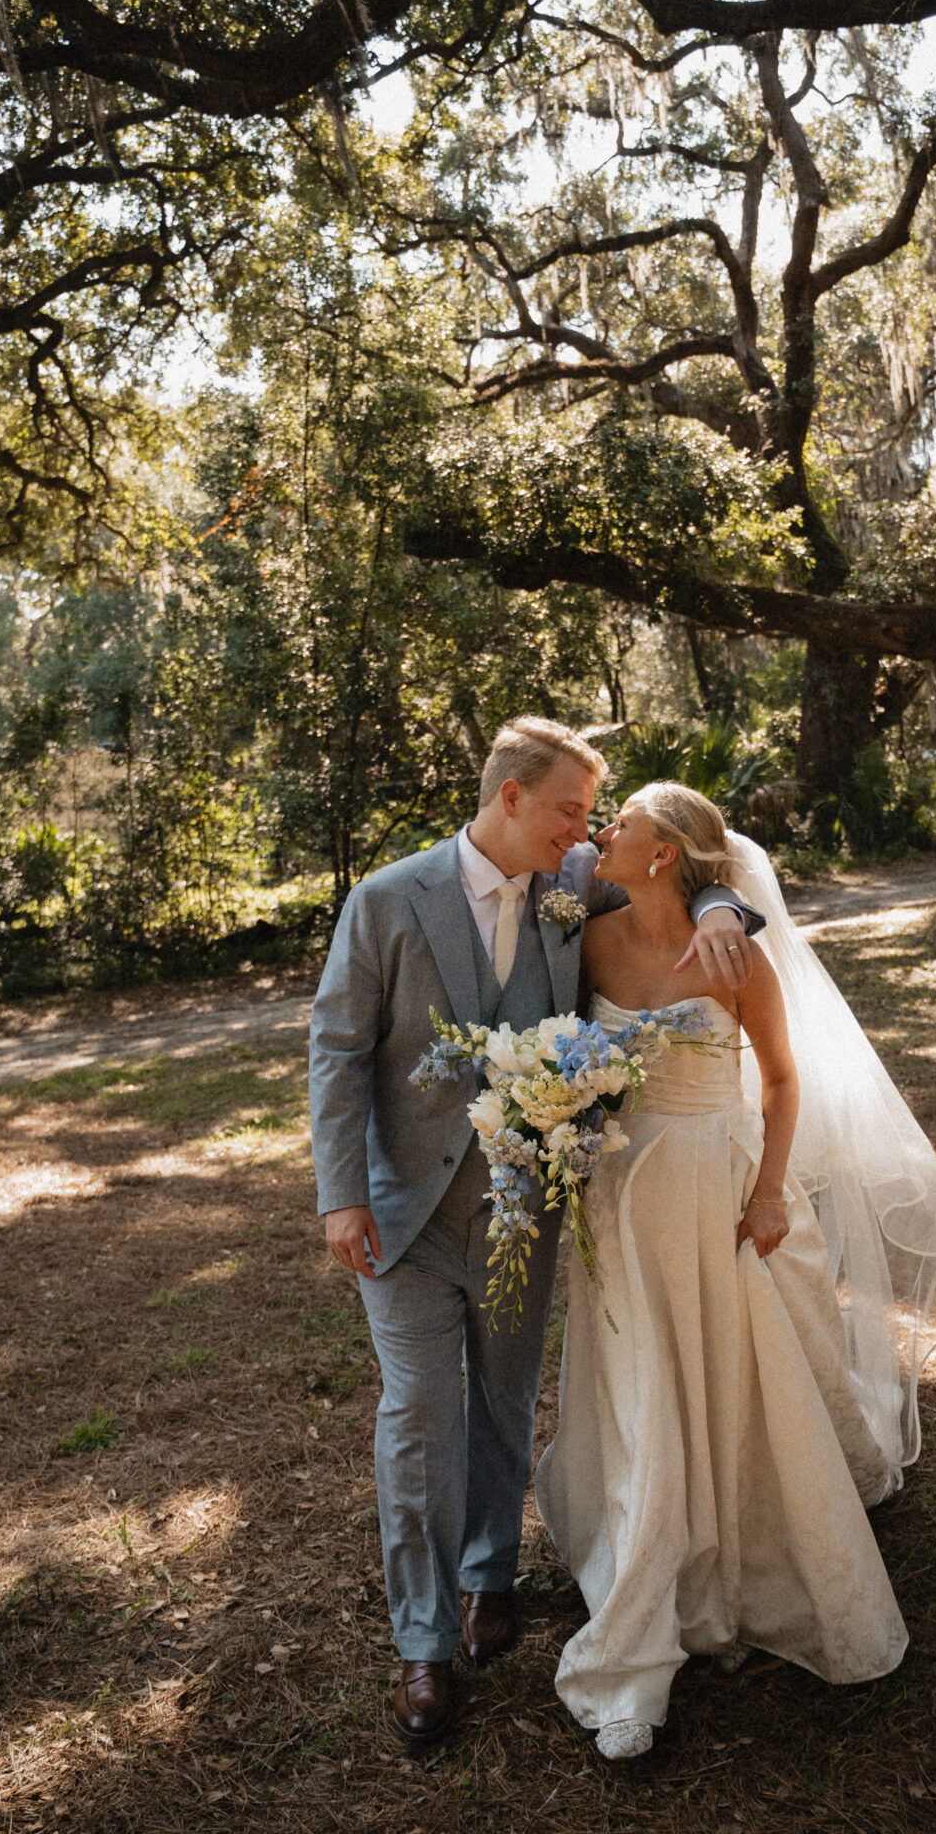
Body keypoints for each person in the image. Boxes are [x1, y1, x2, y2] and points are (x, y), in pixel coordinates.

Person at [308, 721, 764, 1746]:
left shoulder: (572, 885)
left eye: (592, 816)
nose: (584, 830)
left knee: (507, 1400)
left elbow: (686, 879)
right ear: (510, 797)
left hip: (525, 1206)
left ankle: (489, 1577)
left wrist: (719, 905)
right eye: (569, 809)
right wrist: (341, 1196)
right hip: (403, 1218)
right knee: (420, 1417)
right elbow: (335, 1051)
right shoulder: (387, 898)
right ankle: (423, 1645)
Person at [534, 782, 936, 1760]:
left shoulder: (737, 956)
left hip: (720, 1188)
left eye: (623, 823)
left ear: (664, 854)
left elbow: (780, 1080)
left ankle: (708, 1582)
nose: (602, 831)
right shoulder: (591, 938)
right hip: (621, 1199)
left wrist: (773, 1193)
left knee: (740, 1368)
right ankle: (640, 1599)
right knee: (640, 1385)